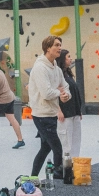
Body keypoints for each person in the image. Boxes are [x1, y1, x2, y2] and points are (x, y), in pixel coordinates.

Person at [29, 36, 71, 178]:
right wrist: (60, 93)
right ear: (48, 48)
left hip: (51, 113)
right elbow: (46, 93)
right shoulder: (40, 67)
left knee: (45, 148)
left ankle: (33, 177)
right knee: (57, 148)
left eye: (60, 44)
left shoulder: (56, 69)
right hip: (41, 115)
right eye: (56, 45)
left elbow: (65, 86)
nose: (60, 47)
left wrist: (66, 94)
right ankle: (59, 178)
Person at [56, 48, 83, 161]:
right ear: (62, 59)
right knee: (67, 142)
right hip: (65, 114)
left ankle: (75, 164)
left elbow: (75, 94)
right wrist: (58, 111)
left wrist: (78, 110)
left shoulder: (68, 74)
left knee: (76, 140)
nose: (71, 58)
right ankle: (66, 167)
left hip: (74, 112)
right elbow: (54, 94)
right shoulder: (57, 74)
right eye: (68, 57)